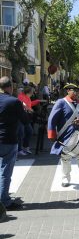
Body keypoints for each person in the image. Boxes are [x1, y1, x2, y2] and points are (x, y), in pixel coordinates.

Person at [47, 83, 79, 189]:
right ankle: (65, 178)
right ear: (68, 91)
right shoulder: (61, 103)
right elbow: (52, 120)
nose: (77, 93)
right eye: (74, 90)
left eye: (78, 91)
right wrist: (51, 135)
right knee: (65, 158)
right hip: (65, 135)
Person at [0, 76, 28, 211]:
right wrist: (24, 108)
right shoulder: (14, 101)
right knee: (5, 172)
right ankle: (4, 201)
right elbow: (25, 120)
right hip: (8, 140)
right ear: (10, 87)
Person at [17, 85, 40, 155]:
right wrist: (29, 109)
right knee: (21, 133)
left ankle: (25, 147)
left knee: (29, 131)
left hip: (26, 117)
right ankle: (19, 149)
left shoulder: (27, 97)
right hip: (20, 118)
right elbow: (23, 105)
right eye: (32, 92)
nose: (32, 93)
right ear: (28, 92)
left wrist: (37, 101)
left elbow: (29, 104)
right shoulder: (21, 96)